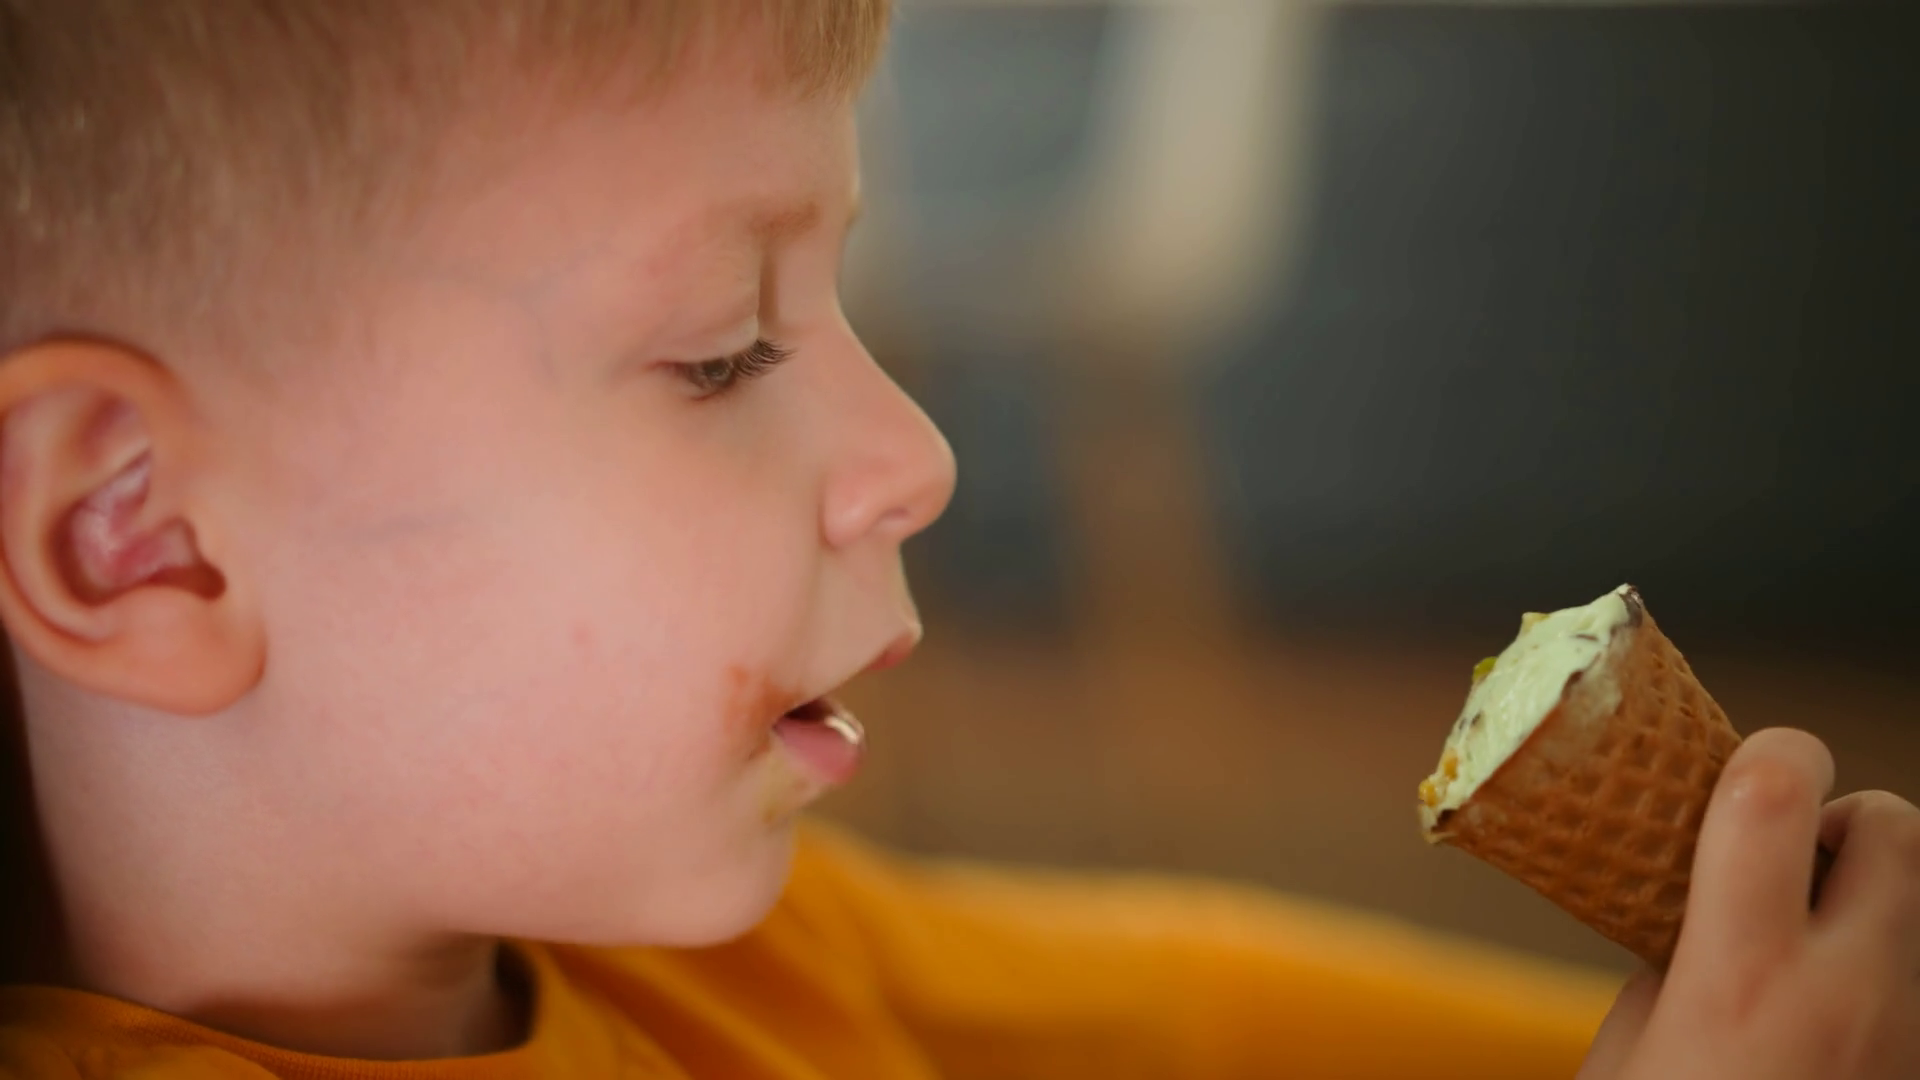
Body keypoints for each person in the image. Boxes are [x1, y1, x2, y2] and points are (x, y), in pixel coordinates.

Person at [0, 3, 1913, 1076]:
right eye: (722, 349)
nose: (915, 455)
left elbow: (1193, 1012)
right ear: (136, 537)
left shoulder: (729, 967)